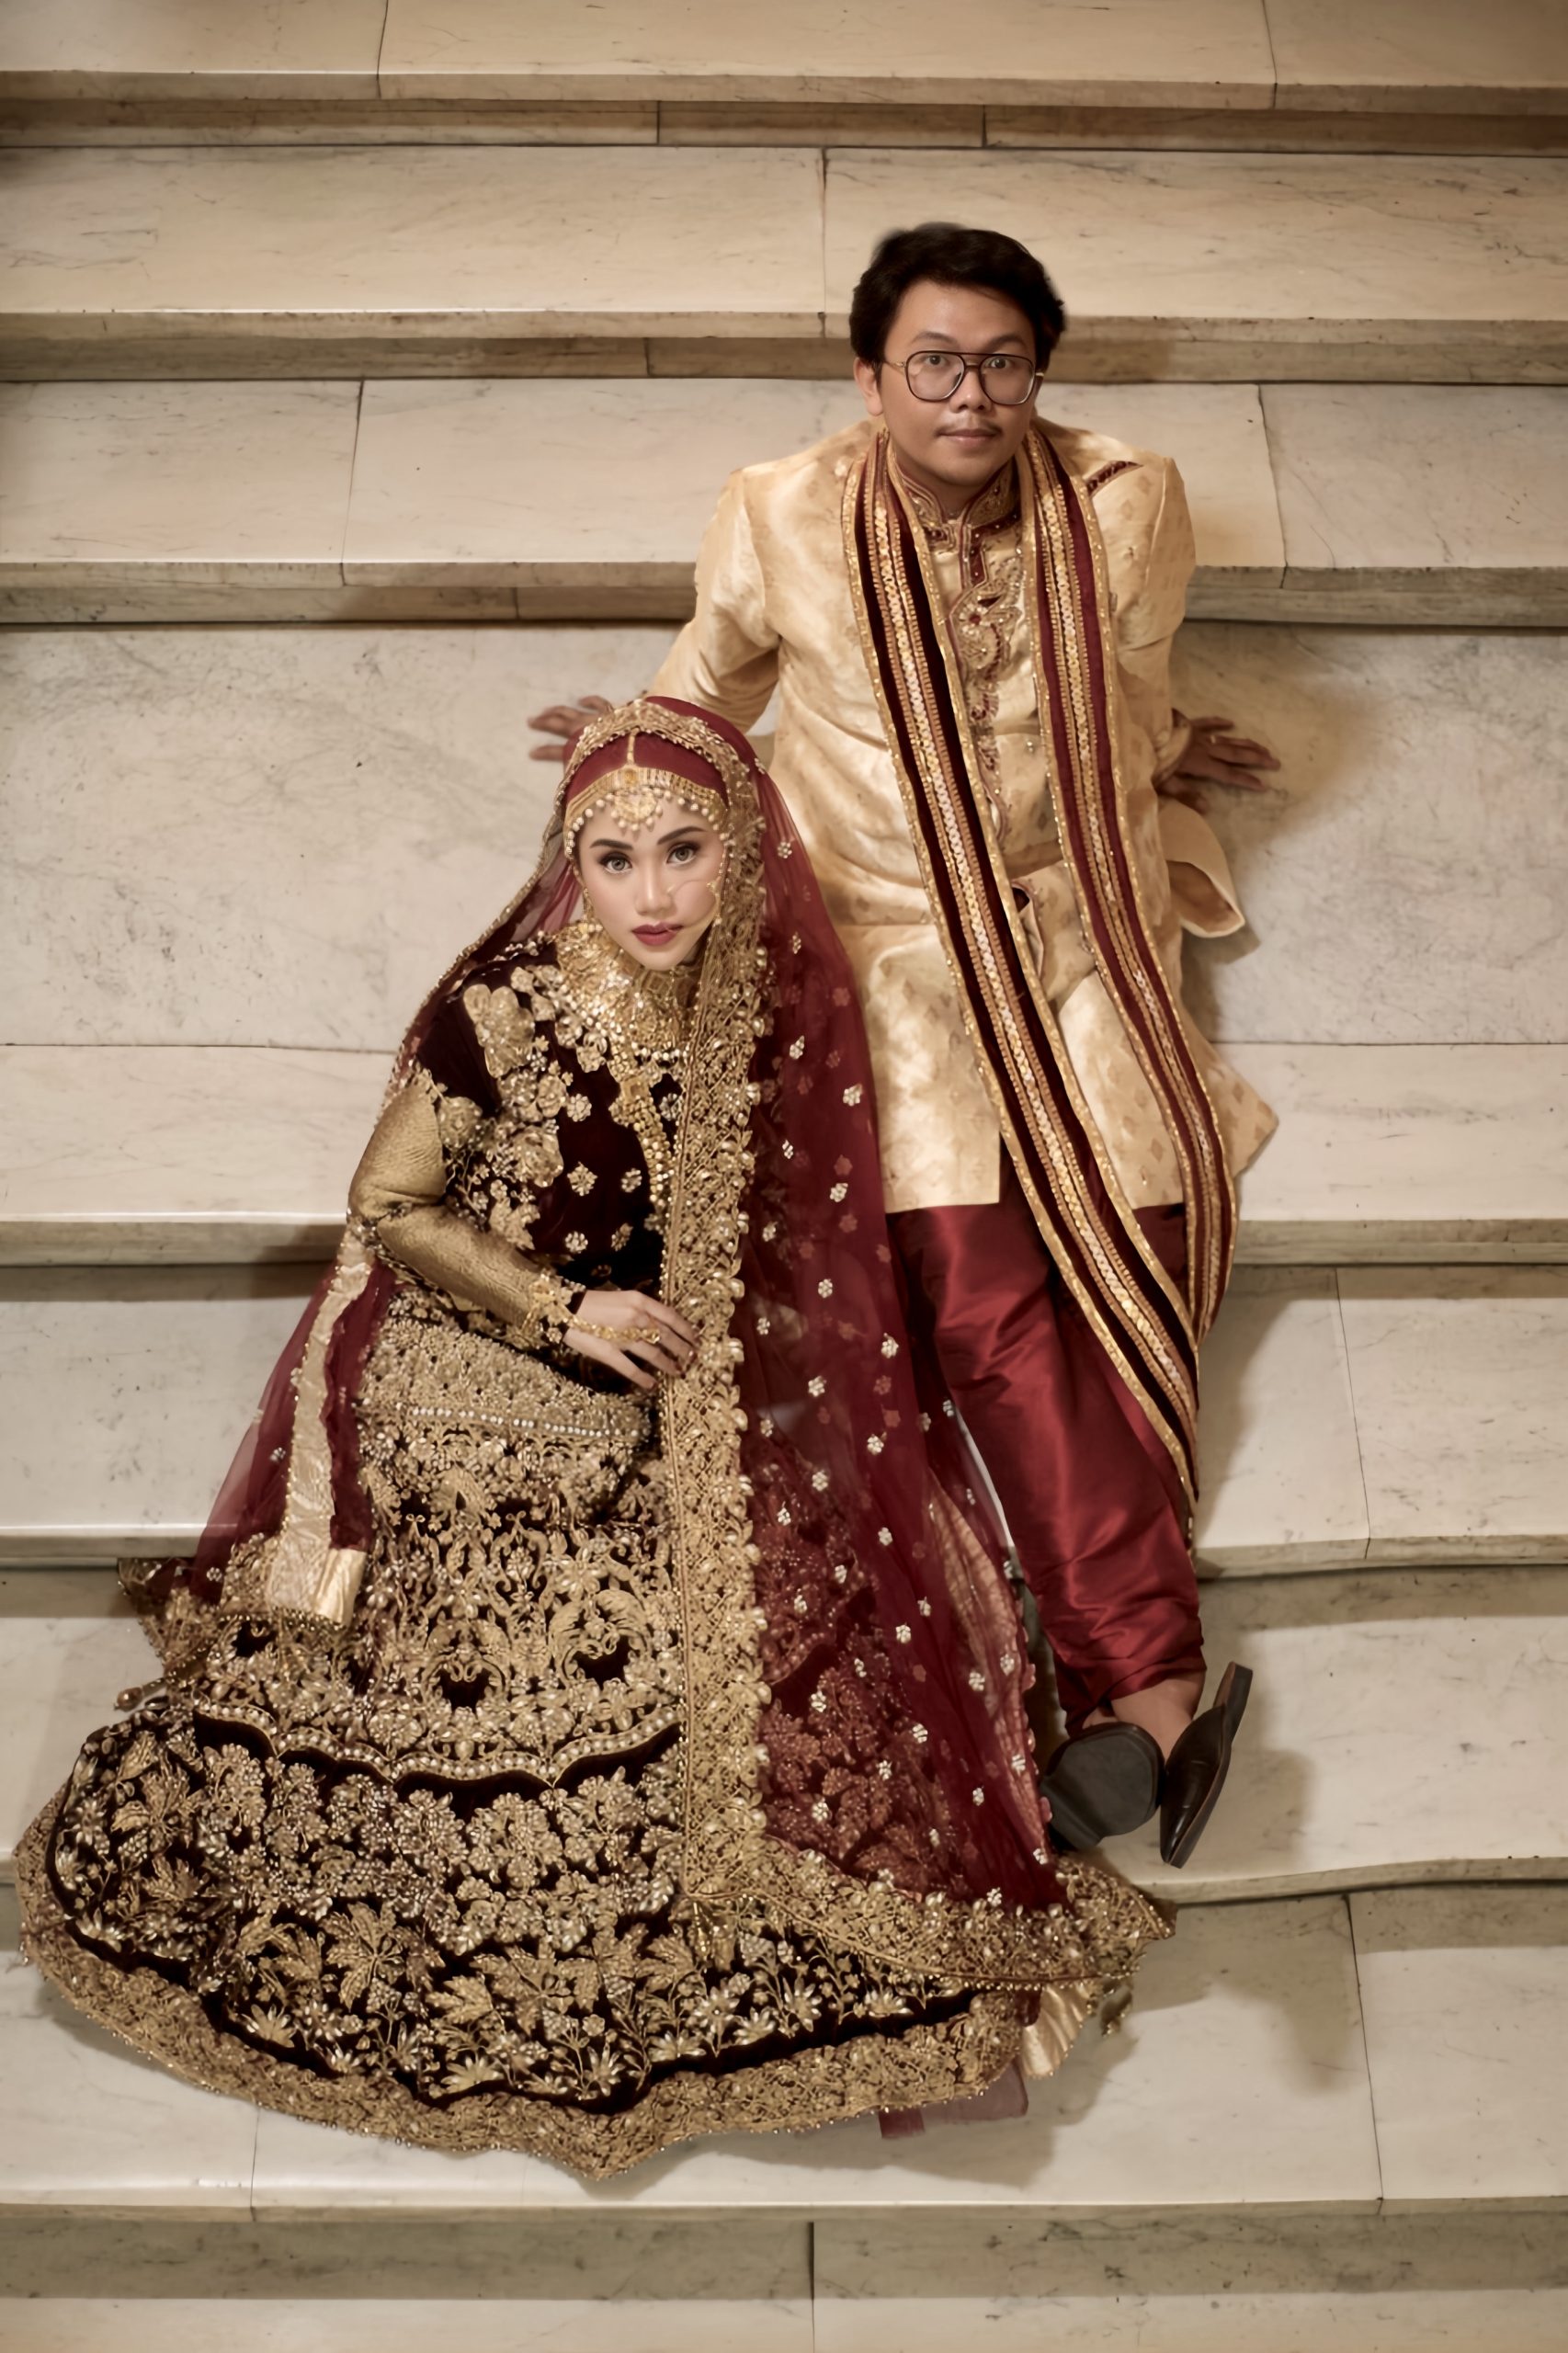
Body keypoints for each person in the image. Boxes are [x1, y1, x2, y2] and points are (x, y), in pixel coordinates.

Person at [18, 697, 1166, 2179]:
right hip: (473, 1355)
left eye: (684, 851)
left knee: (781, 1605)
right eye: (613, 860)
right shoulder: (505, 1006)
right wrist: (566, 1311)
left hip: (654, 1378)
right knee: (590, 1598)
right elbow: (390, 1208)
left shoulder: (762, 1006)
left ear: (741, 849)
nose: (651, 894)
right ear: (571, 864)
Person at [532, 223, 1279, 1867]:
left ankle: (1142, 1682)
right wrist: (633, 753)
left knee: (1141, 1239)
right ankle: (1150, 1685)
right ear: (870, 377)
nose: (968, 396)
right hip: (889, 944)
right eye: (933, 363)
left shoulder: (1124, 501)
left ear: (1038, 373)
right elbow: (707, 690)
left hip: (1080, 920)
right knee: (975, 1287)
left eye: (1002, 363)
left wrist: (1162, 748)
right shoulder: (780, 509)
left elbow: (1122, 685)